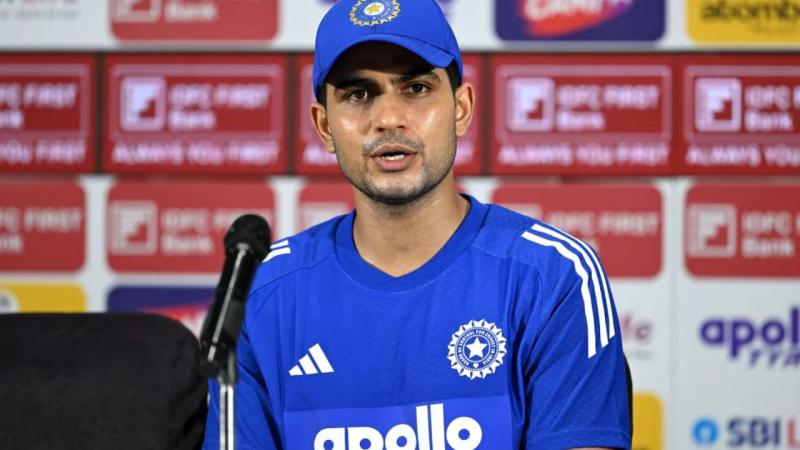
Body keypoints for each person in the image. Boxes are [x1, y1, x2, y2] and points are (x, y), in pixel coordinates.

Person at [203, 0, 632, 448]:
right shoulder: (261, 291)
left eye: (416, 88)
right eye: (358, 95)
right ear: (324, 126)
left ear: (461, 109)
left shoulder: (553, 275)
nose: (388, 119)